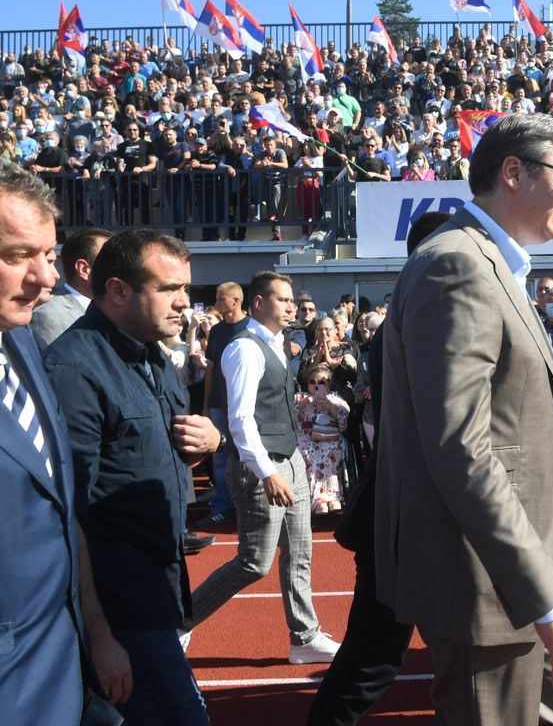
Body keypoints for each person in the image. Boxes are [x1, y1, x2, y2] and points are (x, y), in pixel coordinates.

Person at [374, 113, 553, 725]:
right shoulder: (459, 264)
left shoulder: (490, 261)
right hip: (487, 583)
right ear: (513, 172)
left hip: (514, 572)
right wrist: (547, 597)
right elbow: (462, 447)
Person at [44, 229, 223, 724]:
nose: (184, 303)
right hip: (121, 608)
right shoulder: (72, 370)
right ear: (118, 290)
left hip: (159, 589)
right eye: (169, 289)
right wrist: (100, 636)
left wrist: (212, 442)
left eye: (185, 289)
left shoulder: (152, 356)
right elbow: (66, 514)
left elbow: (145, 457)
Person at [306, 211, 449, 726]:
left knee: (396, 649)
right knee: (377, 651)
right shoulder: (417, 318)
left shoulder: (409, 316)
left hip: (403, 508)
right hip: (404, 511)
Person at [186, 271, 342, 665]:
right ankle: (180, 621)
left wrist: (291, 461)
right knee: (254, 562)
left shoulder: (277, 345)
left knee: (300, 553)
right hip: (261, 466)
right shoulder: (245, 349)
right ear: (258, 303)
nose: (292, 306)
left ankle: (304, 638)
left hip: (289, 460)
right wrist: (266, 472)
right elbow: (240, 419)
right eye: (283, 299)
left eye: (293, 300)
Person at [0, 165, 91, 726]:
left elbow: (60, 504)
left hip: (61, 670)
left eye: (49, 255)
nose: (46, 278)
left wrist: (98, 634)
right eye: (16, 255)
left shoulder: (23, 341)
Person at [196, 281, 249, 530]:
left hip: (244, 406)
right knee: (220, 459)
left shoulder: (251, 328)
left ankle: (247, 507)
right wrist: (206, 406)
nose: (216, 303)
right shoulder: (216, 332)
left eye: (220, 299)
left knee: (245, 455)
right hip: (218, 405)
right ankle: (222, 508)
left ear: (235, 301)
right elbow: (211, 370)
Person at [29, 226, 110, 348]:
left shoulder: (115, 311)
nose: (122, 269)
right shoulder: (50, 316)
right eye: (111, 261)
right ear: (84, 269)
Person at [295, 364, 350, 514]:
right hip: (307, 438)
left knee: (330, 451)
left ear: (328, 384)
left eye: (321, 382)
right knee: (308, 451)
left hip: (330, 438)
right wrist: (305, 403)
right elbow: (294, 419)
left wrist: (328, 404)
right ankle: (315, 500)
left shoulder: (335, 398)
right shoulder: (300, 397)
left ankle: (333, 497)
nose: (316, 385)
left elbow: (343, 420)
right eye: (312, 382)